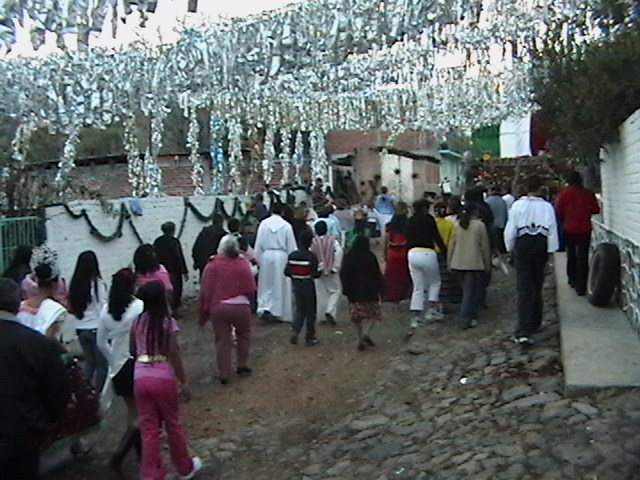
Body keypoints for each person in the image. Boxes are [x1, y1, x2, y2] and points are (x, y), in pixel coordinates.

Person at [0, 278, 71, 480]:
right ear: (16, 305)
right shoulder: (35, 343)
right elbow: (59, 389)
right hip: (22, 434)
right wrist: (42, 421)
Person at [132, 281, 202, 480]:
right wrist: (183, 380)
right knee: (173, 424)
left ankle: (150, 472)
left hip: (140, 375)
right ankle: (184, 467)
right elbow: (174, 352)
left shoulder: (138, 321)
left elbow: (133, 349)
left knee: (149, 428)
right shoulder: (167, 322)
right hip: (162, 374)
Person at [97, 268, 144, 474]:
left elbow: (101, 342)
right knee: (142, 413)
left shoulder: (106, 311)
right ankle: (122, 455)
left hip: (118, 368)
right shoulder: (139, 306)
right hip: (135, 363)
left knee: (131, 412)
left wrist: (114, 360)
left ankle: (138, 452)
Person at [504, 174, 559, 346]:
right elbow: (552, 229)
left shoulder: (518, 205)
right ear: (540, 188)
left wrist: (509, 247)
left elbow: (511, 229)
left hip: (523, 243)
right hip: (540, 244)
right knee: (537, 284)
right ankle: (536, 321)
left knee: (524, 288)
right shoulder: (547, 207)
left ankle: (523, 329)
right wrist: (551, 252)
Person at [199, 237, 256, 384]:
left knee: (223, 340)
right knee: (244, 335)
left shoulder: (212, 265)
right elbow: (250, 287)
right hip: (241, 306)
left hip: (219, 307)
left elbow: (206, 290)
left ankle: (224, 372)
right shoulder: (243, 263)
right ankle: (242, 364)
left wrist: (203, 312)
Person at [68, 250, 109, 392]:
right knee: (102, 364)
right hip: (96, 328)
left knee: (89, 363)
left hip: (80, 328)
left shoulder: (75, 284)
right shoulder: (97, 284)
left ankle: (83, 392)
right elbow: (102, 308)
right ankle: (98, 395)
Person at [554, 171, 600, 296]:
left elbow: (558, 210)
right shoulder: (588, 194)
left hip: (568, 228)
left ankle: (572, 279)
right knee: (583, 257)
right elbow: (596, 209)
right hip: (585, 228)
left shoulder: (564, 194)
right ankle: (581, 286)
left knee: (571, 254)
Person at [448, 204, 492, 329]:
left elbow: (452, 245)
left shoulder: (457, 225)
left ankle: (469, 314)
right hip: (473, 263)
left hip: (457, 263)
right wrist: (487, 264)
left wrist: (449, 262)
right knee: (470, 292)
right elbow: (484, 247)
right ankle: (465, 317)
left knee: (466, 290)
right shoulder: (480, 226)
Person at [405, 199, 447, 327]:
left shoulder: (410, 220)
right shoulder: (428, 219)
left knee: (418, 286)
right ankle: (431, 310)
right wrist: (446, 252)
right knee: (434, 282)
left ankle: (415, 317)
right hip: (427, 252)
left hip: (412, 253)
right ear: (424, 208)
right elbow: (436, 236)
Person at [254, 202, 297, 323]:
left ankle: (265, 307)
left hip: (266, 256)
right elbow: (291, 247)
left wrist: (258, 260)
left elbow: (259, 244)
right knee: (280, 284)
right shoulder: (286, 226)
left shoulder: (263, 224)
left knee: (266, 284)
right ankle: (279, 311)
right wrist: (292, 261)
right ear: (282, 212)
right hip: (281, 256)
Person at [340, 235, 384, 351]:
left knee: (357, 317)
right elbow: (377, 274)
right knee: (374, 313)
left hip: (354, 291)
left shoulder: (349, 257)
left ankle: (360, 338)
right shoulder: (370, 257)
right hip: (370, 290)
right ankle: (367, 333)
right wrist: (381, 289)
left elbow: (344, 273)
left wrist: (345, 289)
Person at [285, 230, 321, 346]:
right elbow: (315, 274)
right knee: (310, 311)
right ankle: (309, 337)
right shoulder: (311, 257)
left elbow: (286, 272)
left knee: (300, 309)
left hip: (296, 284)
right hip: (308, 285)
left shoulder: (292, 255)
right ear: (310, 242)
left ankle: (295, 331)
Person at [310, 221, 343, 325]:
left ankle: (321, 316)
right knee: (336, 291)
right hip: (331, 270)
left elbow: (311, 254)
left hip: (318, 271)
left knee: (320, 293)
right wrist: (335, 267)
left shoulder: (313, 242)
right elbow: (339, 252)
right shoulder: (332, 241)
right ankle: (330, 311)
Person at [153, 222, 188, 313]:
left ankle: (165, 310)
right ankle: (174, 310)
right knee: (176, 291)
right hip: (174, 270)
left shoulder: (157, 241)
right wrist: (184, 270)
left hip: (160, 270)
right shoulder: (174, 242)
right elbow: (179, 256)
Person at [434, 201, 462, 308]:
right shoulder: (449, 224)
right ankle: (447, 301)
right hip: (446, 252)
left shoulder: (433, 223)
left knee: (436, 279)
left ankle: (438, 302)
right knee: (446, 278)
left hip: (434, 252)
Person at [383, 203, 411, 304]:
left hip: (392, 252)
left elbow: (385, 241)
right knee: (404, 275)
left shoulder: (390, 226)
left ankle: (390, 295)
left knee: (391, 275)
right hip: (404, 252)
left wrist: (384, 254)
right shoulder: (408, 225)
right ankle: (404, 294)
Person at [192, 214, 226, 278]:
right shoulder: (224, 235)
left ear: (213, 222)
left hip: (204, 263)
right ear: (222, 222)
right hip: (219, 265)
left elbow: (196, 248)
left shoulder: (204, 233)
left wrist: (196, 262)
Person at [485, 186, 509, 254]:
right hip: (501, 224)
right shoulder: (502, 201)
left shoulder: (487, 201)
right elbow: (505, 214)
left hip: (491, 225)